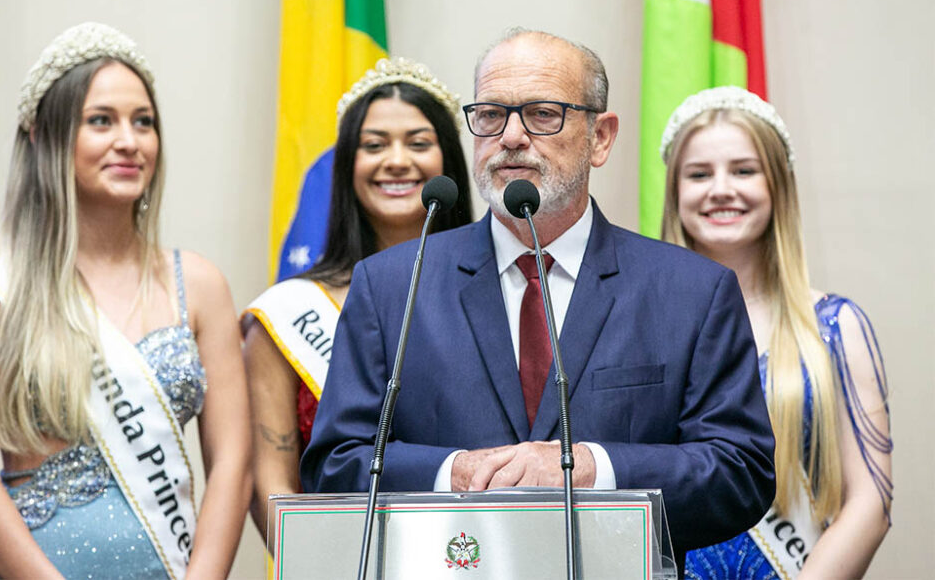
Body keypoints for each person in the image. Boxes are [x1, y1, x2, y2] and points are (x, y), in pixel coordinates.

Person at [300, 29, 776, 562]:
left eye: (543, 114)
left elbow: (741, 471)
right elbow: (335, 465)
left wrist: (591, 467)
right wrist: (451, 473)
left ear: (600, 137)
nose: (511, 137)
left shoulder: (692, 291)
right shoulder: (391, 285)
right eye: (491, 115)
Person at [0, 22, 252, 579]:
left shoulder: (199, 284)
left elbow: (234, 465)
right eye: (101, 120)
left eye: (144, 122)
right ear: (45, 136)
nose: (129, 141)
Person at [659, 86, 892, 579]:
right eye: (699, 174)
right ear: (675, 192)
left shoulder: (834, 325)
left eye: (744, 170)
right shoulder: (636, 325)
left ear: (778, 186)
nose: (721, 188)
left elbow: (870, 502)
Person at [241, 57, 473, 539]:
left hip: (479, 550)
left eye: (418, 143)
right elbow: (272, 481)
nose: (396, 160)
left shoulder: (504, 292)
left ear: (448, 158)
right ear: (348, 165)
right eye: (374, 145)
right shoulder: (286, 314)